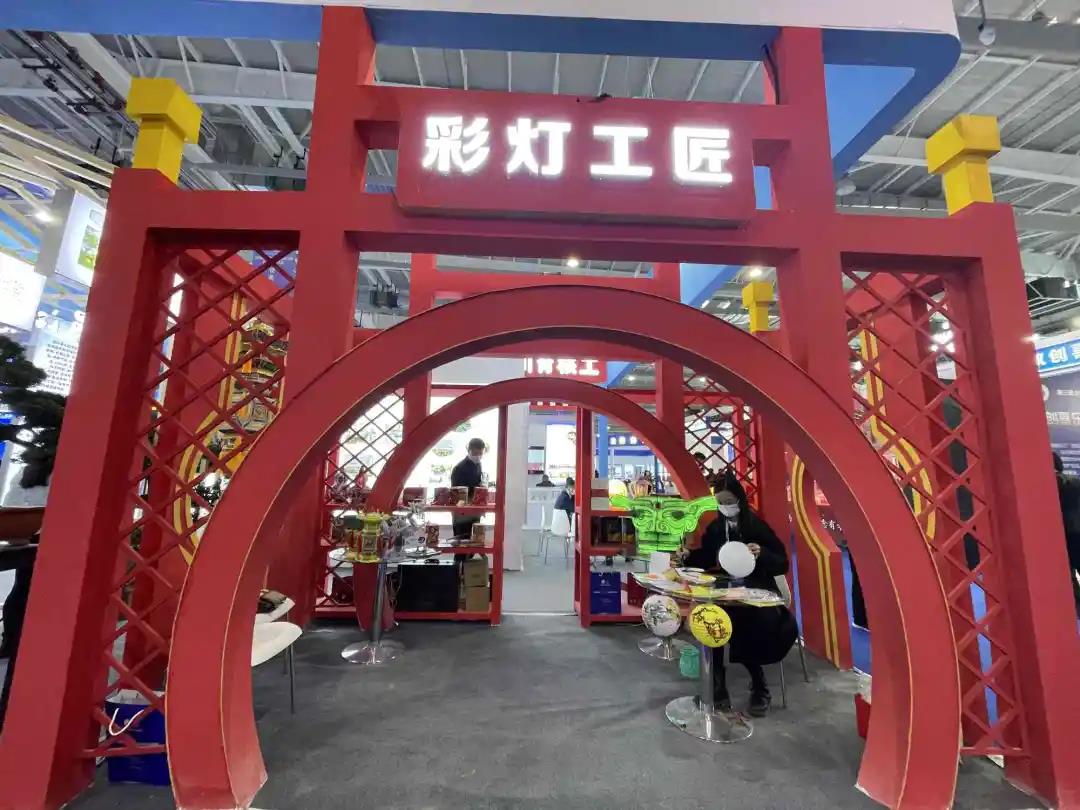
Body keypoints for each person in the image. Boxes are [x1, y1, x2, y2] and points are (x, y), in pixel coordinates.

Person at [684, 471, 797, 717]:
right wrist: (686, 557)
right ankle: (717, 686)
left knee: (751, 621)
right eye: (720, 503)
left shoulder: (756, 526)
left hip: (758, 589)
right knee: (711, 618)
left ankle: (760, 686)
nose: (725, 507)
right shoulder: (717, 528)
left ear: (739, 500)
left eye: (728, 502)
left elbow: (781, 563)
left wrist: (762, 553)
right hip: (726, 589)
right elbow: (706, 557)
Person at [1053, 452, 1080, 617]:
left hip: (1062, 535)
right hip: (1077, 532)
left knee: (1068, 575)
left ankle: (1076, 607)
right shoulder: (1075, 482)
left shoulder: (1048, 485)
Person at [450, 438, 486, 539]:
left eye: (480, 453)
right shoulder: (459, 468)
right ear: (469, 450)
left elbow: (478, 484)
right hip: (462, 514)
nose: (478, 456)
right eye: (475, 453)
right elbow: (455, 494)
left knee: (475, 541)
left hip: (475, 512)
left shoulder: (478, 465)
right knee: (462, 543)